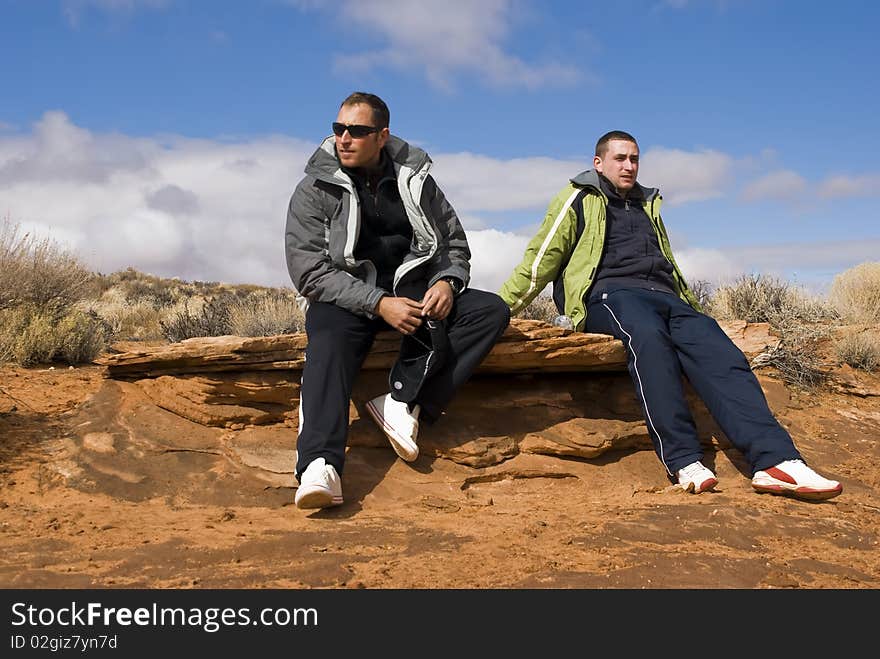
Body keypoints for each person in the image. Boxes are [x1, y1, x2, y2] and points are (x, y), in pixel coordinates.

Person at [499, 130, 842, 501]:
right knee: (649, 341)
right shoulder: (578, 197)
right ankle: (684, 459)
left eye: (634, 159)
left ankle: (777, 461)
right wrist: (498, 312)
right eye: (620, 159)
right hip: (608, 294)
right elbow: (541, 259)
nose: (629, 166)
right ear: (598, 163)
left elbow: (666, 263)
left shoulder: (647, 203)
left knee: (717, 348)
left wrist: (689, 304)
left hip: (665, 296)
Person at [285, 92, 510, 510]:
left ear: (382, 136)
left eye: (357, 131)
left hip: (411, 291)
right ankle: (320, 464)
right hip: (346, 296)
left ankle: (404, 400)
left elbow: (453, 244)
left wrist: (445, 281)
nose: (344, 138)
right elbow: (309, 272)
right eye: (338, 129)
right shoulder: (314, 187)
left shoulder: (416, 180)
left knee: (489, 311)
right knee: (329, 343)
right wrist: (376, 302)